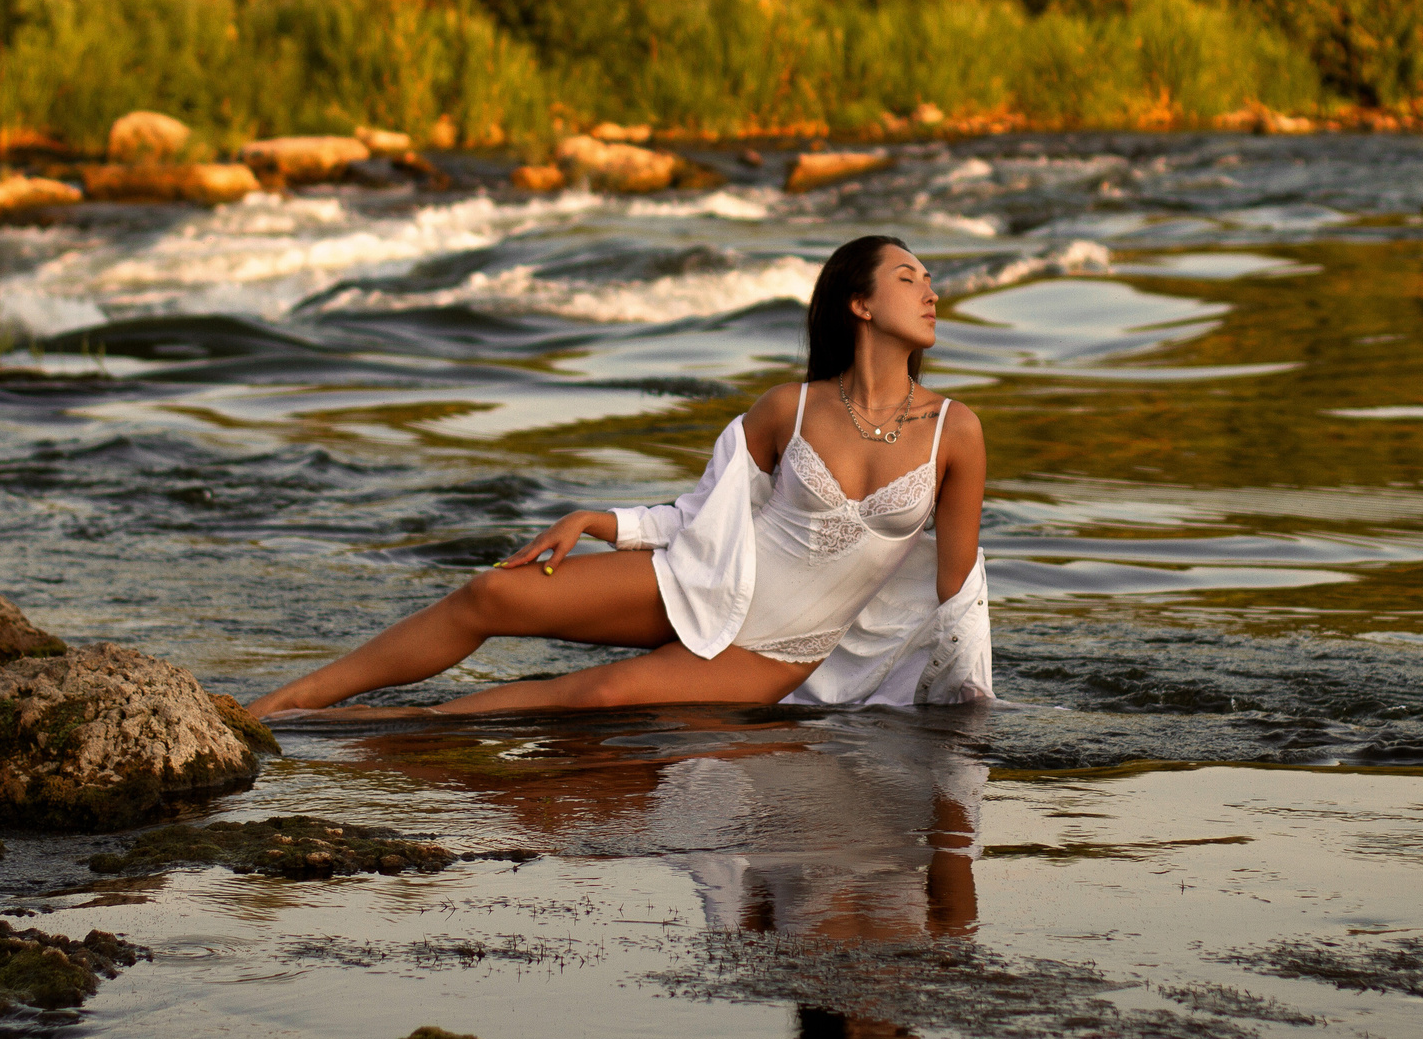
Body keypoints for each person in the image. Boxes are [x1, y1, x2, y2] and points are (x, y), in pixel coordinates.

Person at [248, 234, 994, 716]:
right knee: (492, 591)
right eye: (909, 277)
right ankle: (277, 705)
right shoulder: (788, 409)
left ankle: (363, 732)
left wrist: (963, 705)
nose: (931, 291)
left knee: (591, 694)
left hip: (770, 650)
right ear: (859, 303)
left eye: (930, 278)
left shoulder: (954, 431)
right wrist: (599, 520)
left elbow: (953, 588)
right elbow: (704, 511)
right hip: (699, 583)